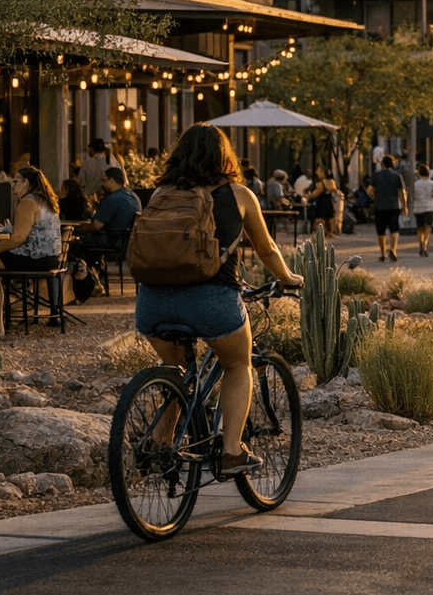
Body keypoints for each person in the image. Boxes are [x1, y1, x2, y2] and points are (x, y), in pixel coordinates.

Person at [135, 124, 305, 478]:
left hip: (152, 302)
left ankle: (162, 445)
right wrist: (288, 278)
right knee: (238, 364)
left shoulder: (160, 194)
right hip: (211, 299)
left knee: (177, 373)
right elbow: (266, 249)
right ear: (224, 155)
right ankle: (231, 452)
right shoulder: (239, 194)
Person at [0, 166, 62, 341]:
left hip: (34, 258)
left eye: (16, 181)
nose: (12, 185)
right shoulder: (44, 200)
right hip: (51, 259)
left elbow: (18, 238)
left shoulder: (27, 202)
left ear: (26, 183)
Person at [70, 166, 143, 298]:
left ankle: (89, 280)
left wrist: (76, 230)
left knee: (73, 245)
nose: (101, 184)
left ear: (112, 181)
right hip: (125, 240)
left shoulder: (112, 199)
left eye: (104, 180)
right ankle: (97, 276)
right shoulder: (133, 196)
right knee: (90, 244)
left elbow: (96, 226)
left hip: (110, 240)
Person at [369, 155, 408, 262]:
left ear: (382, 164)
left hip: (380, 207)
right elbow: (402, 192)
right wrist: (404, 206)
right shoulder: (397, 176)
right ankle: (393, 250)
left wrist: (374, 194)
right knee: (394, 229)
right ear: (393, 164)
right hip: (394, 206)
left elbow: (369, 190)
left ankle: (383, 254)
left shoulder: (376, 175)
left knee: (381, 232)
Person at [411, 163, 433, 257]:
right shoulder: (432, 183)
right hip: (429, 207)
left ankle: (421, 244)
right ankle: (425, 247)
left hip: (418, 208)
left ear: (419, 173)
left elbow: (413, 195)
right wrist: (432, 196)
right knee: (427, 228)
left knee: (420, 228)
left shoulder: (416, 184)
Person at [306, 166, 340, 238]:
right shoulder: (332, 182)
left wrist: (308, 195)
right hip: (329, 201)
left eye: (318, 172)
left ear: (323, 173)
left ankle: (322, 233)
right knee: (329, 217)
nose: (317, 173)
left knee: (320, 217)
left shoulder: (320, 184)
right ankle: (330, 232)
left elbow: (315, 194)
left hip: (321, 202)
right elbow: (334, 190)